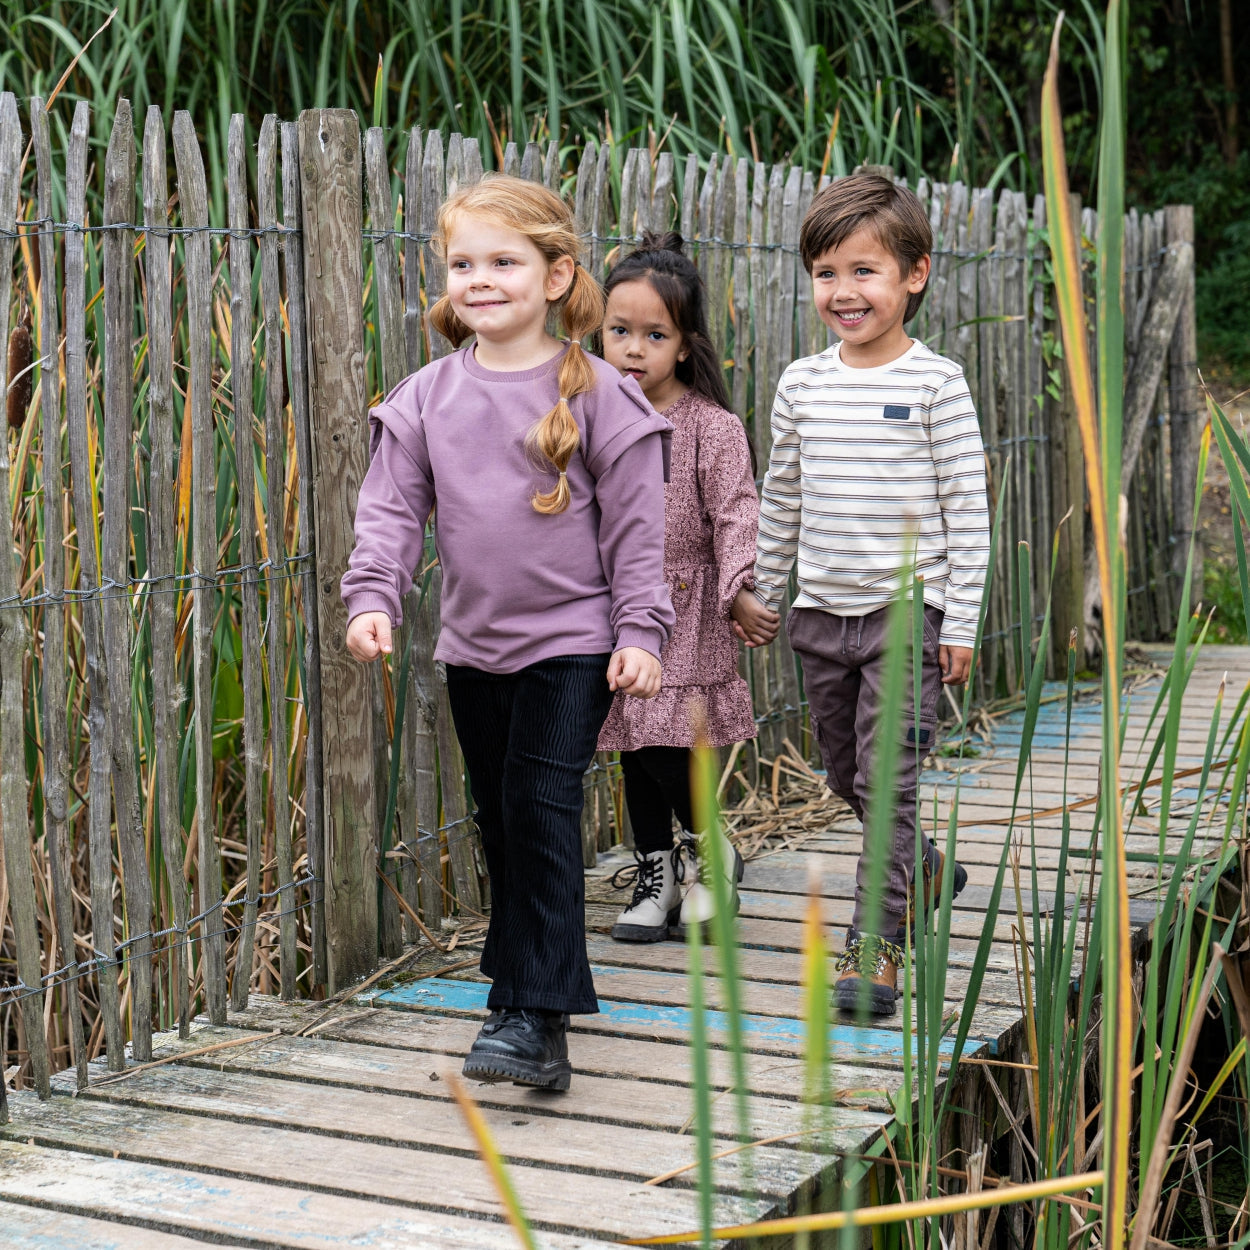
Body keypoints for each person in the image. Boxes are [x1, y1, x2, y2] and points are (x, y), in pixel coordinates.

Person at [341, 175, 674, 1091]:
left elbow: (640, 533)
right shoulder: (424, 398)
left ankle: (531, 1015)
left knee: (539, 809)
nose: (479, 280)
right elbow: (391, 513)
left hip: (574, 642)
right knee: (500, 819)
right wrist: (374, 596)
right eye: (462, 264)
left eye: (503, 261)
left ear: (558, 275)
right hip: (473, 648)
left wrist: (641, 632)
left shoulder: (604, 395)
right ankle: (522, 992)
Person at [747, 172, 990, 1016]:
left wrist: (960, 618)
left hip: (905, 614)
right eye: (826, 274)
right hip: (819, 615)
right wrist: (759, 587)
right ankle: (921, 870)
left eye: (864, 271)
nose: (844, 292)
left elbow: (969, 509)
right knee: (847, 771)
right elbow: (782, 496)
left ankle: (873, 952)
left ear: (913, 274)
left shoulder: (936, 384)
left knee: (888, 783)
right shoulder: (801, 385)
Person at [596, 231, 779, 943]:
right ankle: (655, 868)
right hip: (614, 602)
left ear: (685, 342)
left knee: (668, 741)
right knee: (632, 745)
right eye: (619, 331)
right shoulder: (594, 414)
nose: (634, 349)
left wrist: (737, 587)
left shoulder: (711, 428)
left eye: (653, 334)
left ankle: (711, 852)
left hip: (688, 606)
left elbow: (738, 511)